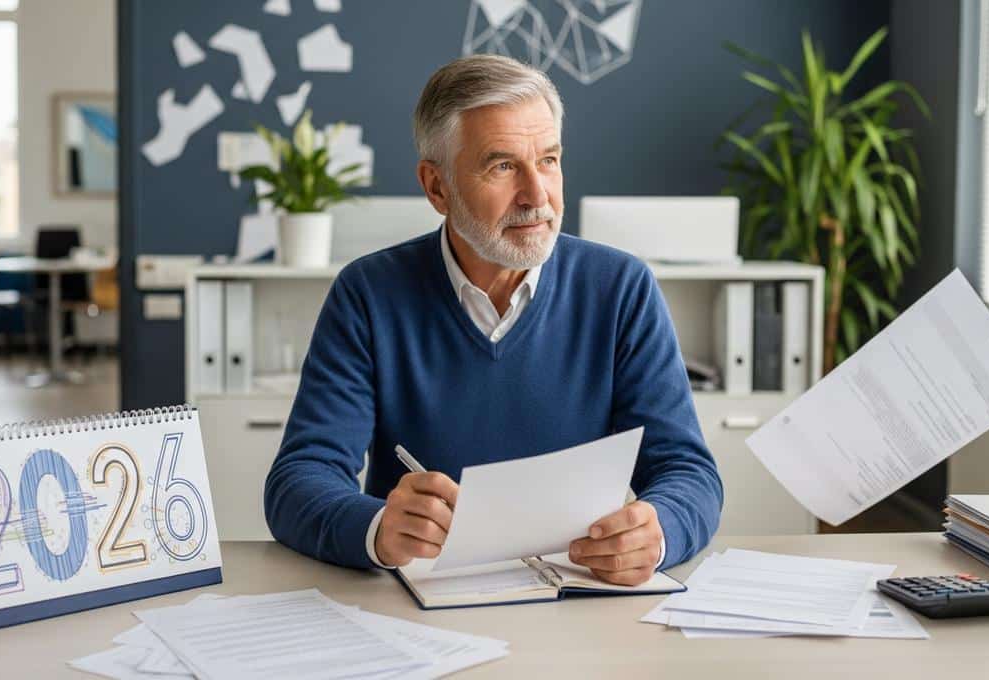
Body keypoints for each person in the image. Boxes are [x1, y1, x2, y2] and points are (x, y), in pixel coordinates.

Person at [264, 54, 722, 585]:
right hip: (418, 610)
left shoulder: (620, 289)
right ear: (437, 188)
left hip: (576, 608)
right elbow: (298, 481)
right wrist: (376, 528)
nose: (537, 196)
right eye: (503, 166)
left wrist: (658, 532)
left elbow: (688, 473)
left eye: (548, 160)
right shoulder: (368, 293)